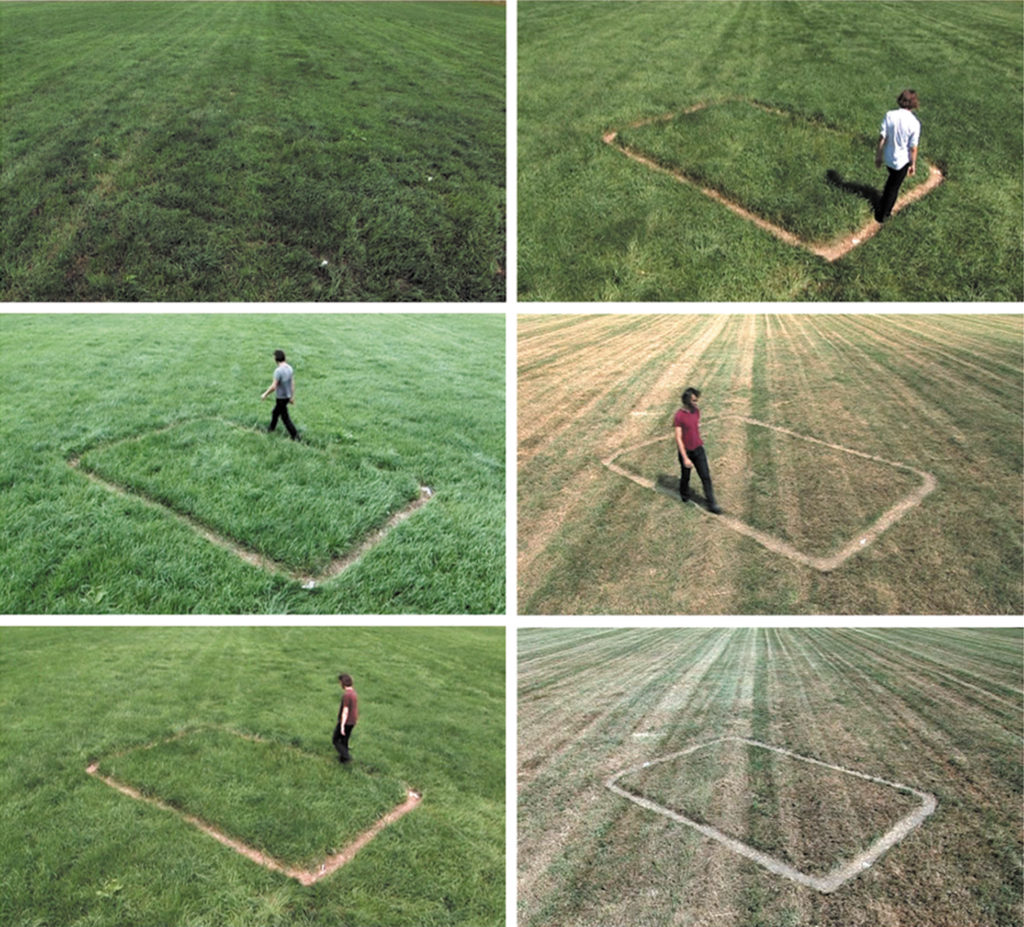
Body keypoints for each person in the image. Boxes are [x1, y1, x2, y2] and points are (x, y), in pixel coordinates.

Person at [874, 89, 921, 223]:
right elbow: (913, 148)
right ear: (913, 104)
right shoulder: (914, 123)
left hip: (888, 158)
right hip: (902, 161)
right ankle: (884, 214)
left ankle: (882, 203)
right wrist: (912, 164)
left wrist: (878, 156)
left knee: (891, 182)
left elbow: (882, 137)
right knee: (893, 187)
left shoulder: (890, 115)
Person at [673, 387, 721, 514]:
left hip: (699, 450)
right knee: (685, 476)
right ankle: (684, 494)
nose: (696, 402)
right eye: (694, 400)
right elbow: (678, 438)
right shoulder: (679, 416)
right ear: (687, 400)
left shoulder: (696, 412)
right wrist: (685, 458)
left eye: (696, 400)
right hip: (687, 452)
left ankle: (712, 504)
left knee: (705, 477)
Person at [260, 349, 299, 440]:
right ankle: (271, 429)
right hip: (287, 396)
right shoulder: (290, 368)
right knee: (275, 413)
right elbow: (292, 383)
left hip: (281, 398)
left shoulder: (278, 371)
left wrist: (265, 394)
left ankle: (296, 436)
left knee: (285, 418)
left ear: (275, 359)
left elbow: (274, 386)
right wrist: (292, 396)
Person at [332, 673, 359, 763]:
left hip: (346, 722)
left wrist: (342, 725)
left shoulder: (347, 695)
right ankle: (343, 760)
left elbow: (345, 711)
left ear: (342, 683)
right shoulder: (354, 693)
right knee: (344, 739)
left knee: (335, 740)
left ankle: (346, 756)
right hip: (353, 721)